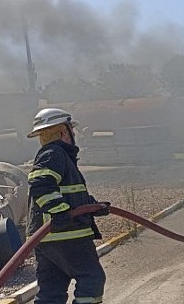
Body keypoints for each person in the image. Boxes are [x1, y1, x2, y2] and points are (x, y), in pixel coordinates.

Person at [26, 108, 109, 304]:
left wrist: (93, 206)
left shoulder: (57, 155)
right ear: (64, 131)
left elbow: (70, 194)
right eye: (71, 129)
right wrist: (61, 212)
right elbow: (40, 184)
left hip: (48, 238)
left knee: (51, 291)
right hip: (66, 234)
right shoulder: (54, 153)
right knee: (92, 279)